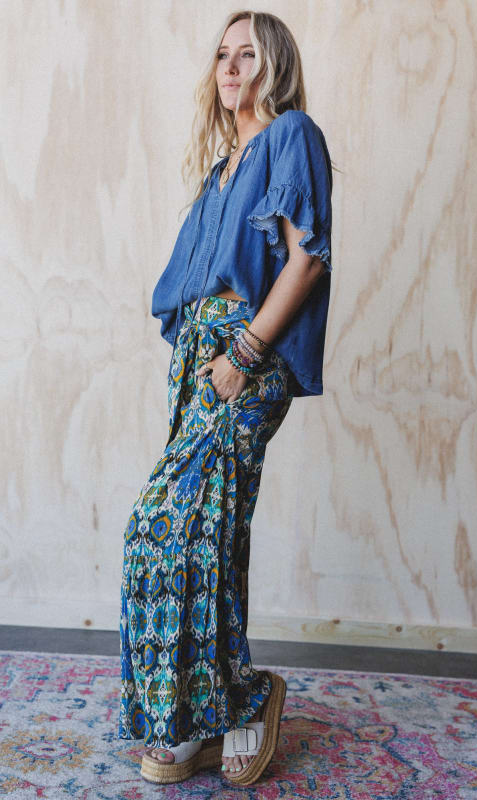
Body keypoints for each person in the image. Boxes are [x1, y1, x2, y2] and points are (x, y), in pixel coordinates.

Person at [118, 8, 334, 788]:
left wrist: (243, 354)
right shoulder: (220, 171)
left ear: (275, 65)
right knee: (209, 530)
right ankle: (196, 716)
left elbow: (306, 260)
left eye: (248, 54)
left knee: (161, 524)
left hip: (249, 355)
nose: (231, 67)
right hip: (203, 363)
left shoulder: (291, 136)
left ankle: (243, 697)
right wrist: (198, 360)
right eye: (221, 55)